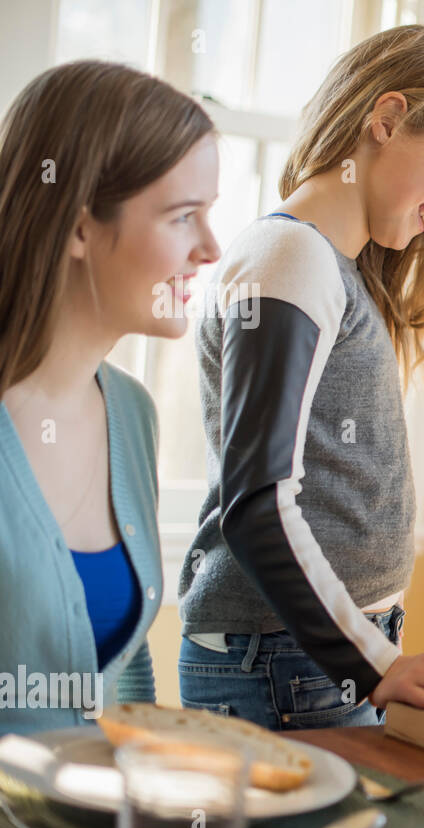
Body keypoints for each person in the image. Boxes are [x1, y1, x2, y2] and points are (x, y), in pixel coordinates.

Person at [177, 26, 424, 730]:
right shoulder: (290, 255)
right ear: (387, 119)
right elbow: (257, 503)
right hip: (283, 663)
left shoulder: (332, 270)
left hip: (306, 661)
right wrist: (377, 664)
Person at [0, 61, 220, 732]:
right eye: (184, 217)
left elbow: (124, 679)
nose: (210, 249)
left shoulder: (130, 412)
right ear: (78, 226)